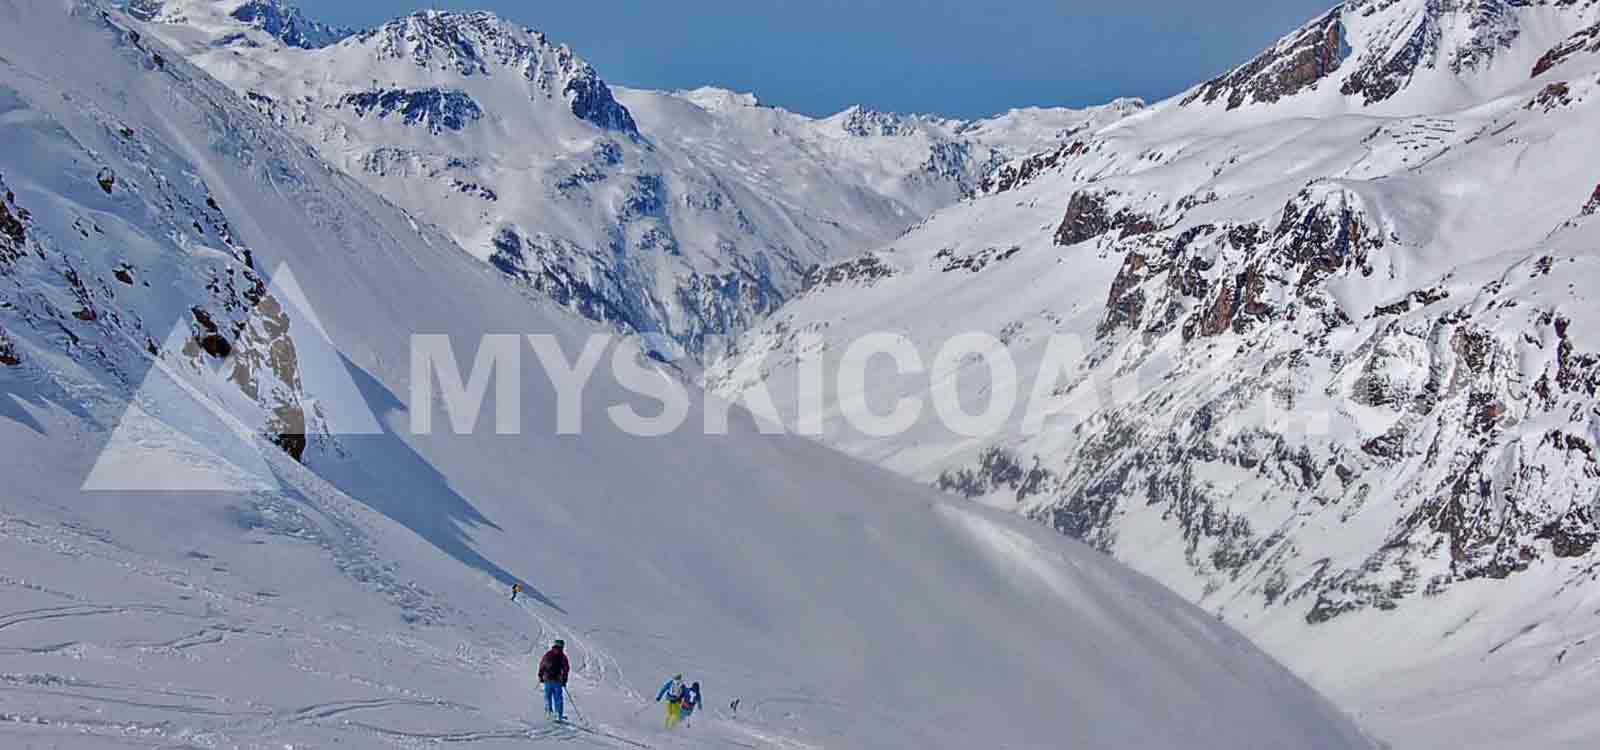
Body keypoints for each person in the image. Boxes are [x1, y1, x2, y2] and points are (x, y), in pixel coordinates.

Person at [538, 640, 569, 721]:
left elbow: (542, 665)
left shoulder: (548, 654)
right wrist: (564, 680)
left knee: (548, 696)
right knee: (558, 697)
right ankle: (558, 714)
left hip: (547, 679)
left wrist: (540, 675)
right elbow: (566, 669)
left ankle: (549, 712)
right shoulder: (562, 656)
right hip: (557, 680)